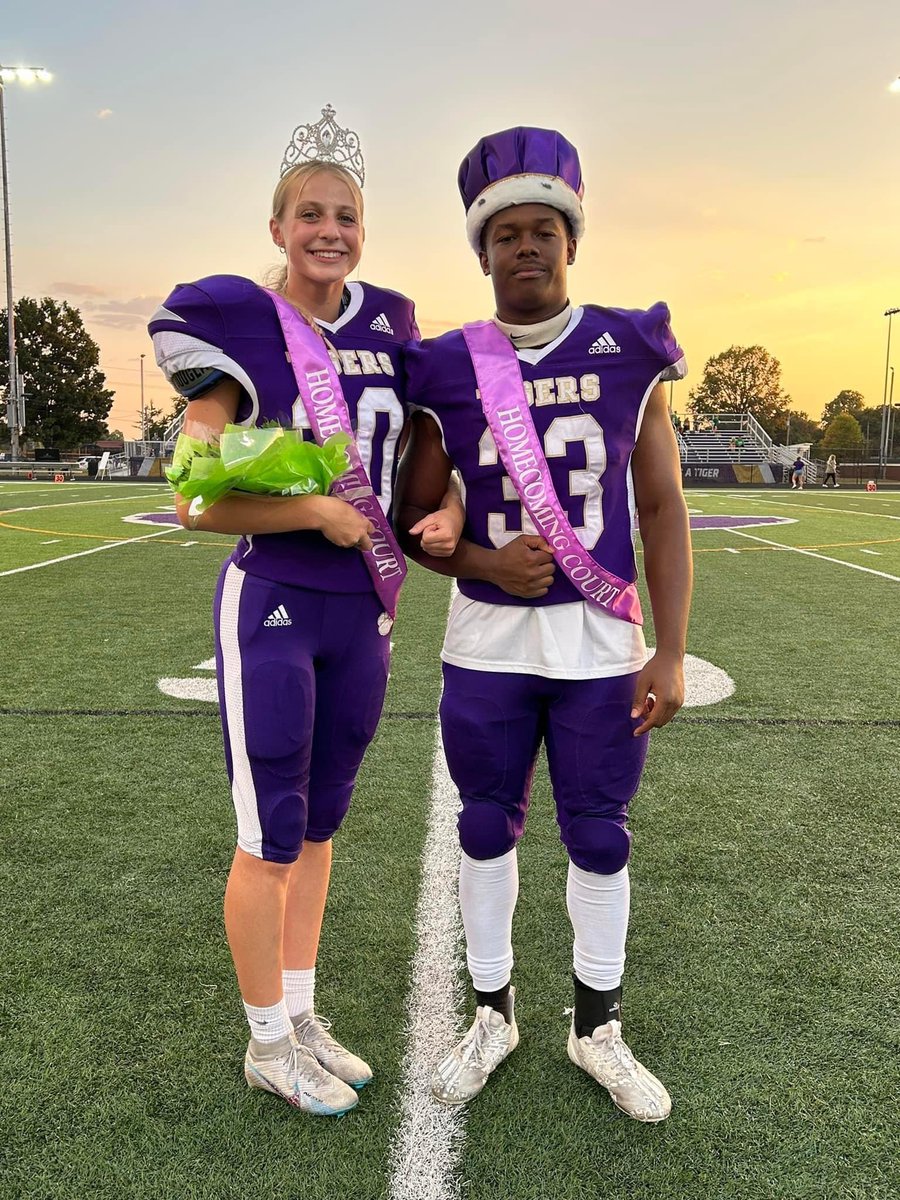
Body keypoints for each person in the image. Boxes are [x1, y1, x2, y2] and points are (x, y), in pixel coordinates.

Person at [149, 154, 461, 1116]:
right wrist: (313, 516)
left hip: (358, 612)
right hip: (275, 600)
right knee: (271, 829)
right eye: (311, 215)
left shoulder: (389, 323)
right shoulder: (242, 326)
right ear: (278, 228)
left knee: (322, 823)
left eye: (348, 217)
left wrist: (445, 503)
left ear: (364, 231)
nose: (331, 231)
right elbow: (193, 498)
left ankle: (300, 1012)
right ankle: (265, 1044)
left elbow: (427, 453)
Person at [397, 127, 692, 1123]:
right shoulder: (445, 367)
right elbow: (418, 523)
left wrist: (672, 643)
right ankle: (493, 1013)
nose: (525, 247)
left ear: (572, 241)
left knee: (600, 834)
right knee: (485, 824)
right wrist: (482, 559)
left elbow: (660, 509)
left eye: (543, 231)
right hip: (486, 639)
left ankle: (596, 1024)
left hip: (601, 644)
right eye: (506, 233)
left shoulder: (628, 347)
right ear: (481, 251)